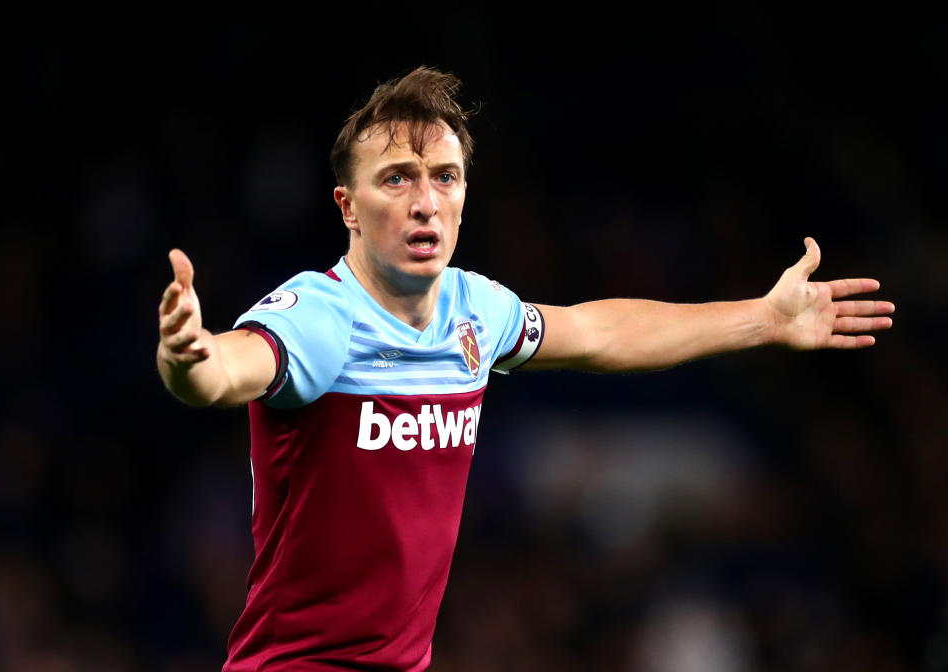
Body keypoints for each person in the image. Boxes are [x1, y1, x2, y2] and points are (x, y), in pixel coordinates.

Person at [156, 66, 895, 671]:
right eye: (396, 179)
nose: (424, 203)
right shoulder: (320, 317)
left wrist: (762, 319)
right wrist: (189, 354)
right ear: (347, 206)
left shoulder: (473, 310)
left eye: (444, 177)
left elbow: (599, 331)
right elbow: (227, 371)